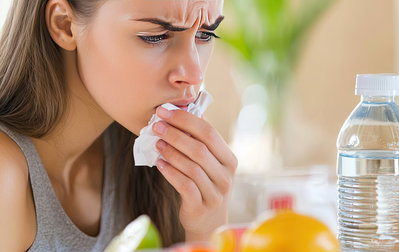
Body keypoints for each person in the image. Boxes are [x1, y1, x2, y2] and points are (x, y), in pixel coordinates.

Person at [0, 0, 237, 251]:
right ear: (65, 25)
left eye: (205, 34)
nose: (194, 75)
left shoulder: (158, 161)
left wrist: (205, 227)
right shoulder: (6, 172)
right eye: (155, 37)